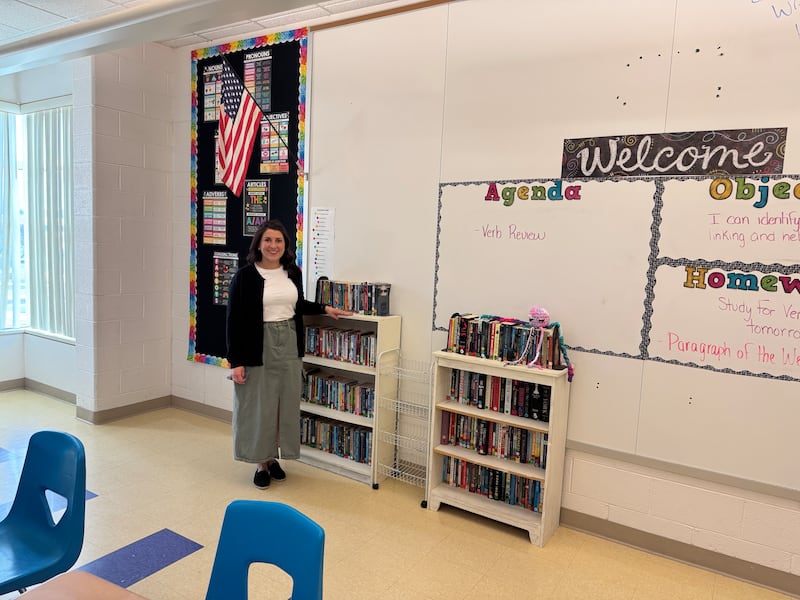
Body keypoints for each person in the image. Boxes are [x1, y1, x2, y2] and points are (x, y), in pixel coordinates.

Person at [226, 219, 351, 488]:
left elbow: (297, 304)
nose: (273, 245)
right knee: (260, 406)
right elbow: (233, 321)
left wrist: (324, 308)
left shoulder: (292, 272)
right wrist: (236, 362)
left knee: (284, 404)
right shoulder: (244, 277)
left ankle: (273, 458)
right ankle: (261, 462)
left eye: (278, 240)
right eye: (268, 240)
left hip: (290, 343)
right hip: (258, 344)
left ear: (285, 245)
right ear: (258, 244)